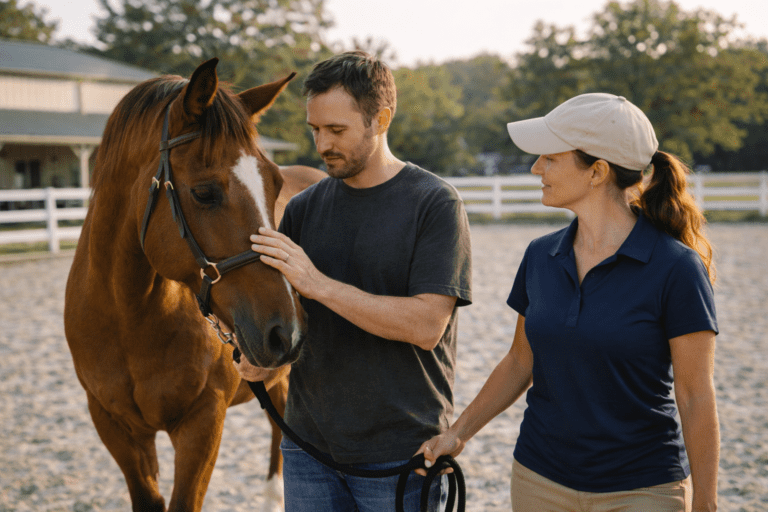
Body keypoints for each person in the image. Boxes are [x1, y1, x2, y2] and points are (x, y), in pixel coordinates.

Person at [416, 93, 719, 512]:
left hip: (643, 488)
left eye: (550, 159)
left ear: (597, 171)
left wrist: (705, 501)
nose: (536, 168)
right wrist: (458, 433)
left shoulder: (677, 269)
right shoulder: (541, 256)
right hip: (539, 480)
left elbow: (695, 395)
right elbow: (521, 362)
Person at [234, 50, 472, 512]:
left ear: (380, 119)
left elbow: (426, 325)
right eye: (315, 130)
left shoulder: (435, 204)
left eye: (337, 131)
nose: (322, 144)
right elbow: (297, 322)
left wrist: (317, 283)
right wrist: (262, 365)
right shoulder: (302, 208)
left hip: (401, 456)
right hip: (306, 450)